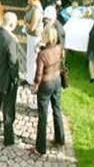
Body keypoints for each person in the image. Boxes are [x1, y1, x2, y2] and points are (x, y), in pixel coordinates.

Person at [32, 26, 65, 156]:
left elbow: (39, 74)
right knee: (57, 109)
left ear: (45, 36)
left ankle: (40, 148)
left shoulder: (42, 54)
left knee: (43, 115)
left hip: (46, 84)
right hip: (57, 80)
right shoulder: (60, 47)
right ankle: (60, 139)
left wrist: (35, 85)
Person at [0, 12, 19, 146]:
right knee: (8, 110)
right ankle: (9, 139)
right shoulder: (11, 40)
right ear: (12, 24)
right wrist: (16, 79)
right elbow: (13, 62)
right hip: (5, 81)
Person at [24, 0, 43, 86]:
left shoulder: (37, 10)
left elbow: (32, 27)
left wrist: (26, 24)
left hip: (34, 37)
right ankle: (28, 77)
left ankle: (31, 80)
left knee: (32, 58)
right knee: (29, 57)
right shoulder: (32, 6)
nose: (28, 1)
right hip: (30, 36)